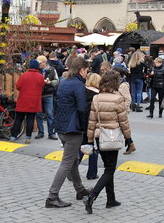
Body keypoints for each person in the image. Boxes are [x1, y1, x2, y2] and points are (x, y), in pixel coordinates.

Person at [84, 70, 131, 213]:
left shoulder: (96, 98)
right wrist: (129, 139)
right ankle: (92, 196)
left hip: (99, 136)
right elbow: (124, 122)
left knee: (107, 168)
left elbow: (91, 122)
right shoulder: (118, 99)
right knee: (110, 169)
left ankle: (111, 199)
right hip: (112, 137)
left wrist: (90, 140)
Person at [46, 57, 91, 208]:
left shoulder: (63, 82)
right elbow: (82, 108)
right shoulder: (78, 85)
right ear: (81, 70)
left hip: (61, 127)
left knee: (73, 161)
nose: (87, 74)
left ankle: (80, 190)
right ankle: (52, 196)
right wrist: (85, 129)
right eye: (86, 71)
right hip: (73, 129)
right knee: (67, 162)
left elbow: (56, 103)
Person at [11, 59, 45, 144]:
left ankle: (13, 136)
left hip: (23, 100)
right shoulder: (40, 76)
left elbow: (18, 86)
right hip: (34, 101)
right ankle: (28, 137)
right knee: (30, 119)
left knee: (18, 119)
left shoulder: (24, 75)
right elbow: (42, 87)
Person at [83, 73, 102, 180]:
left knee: (82, 147)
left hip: (82, 123)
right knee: (94, 148)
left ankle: (72, 170)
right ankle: (92, 173)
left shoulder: (82, 91)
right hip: (94, 124)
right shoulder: (98, 95)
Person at [36, 55, 59, 140]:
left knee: (50, 114)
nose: (39, 64)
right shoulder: (37, 70)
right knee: (39, 114)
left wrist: (50, 83)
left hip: (48, 94)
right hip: (38, 94)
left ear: (44, 62)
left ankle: (51, 133)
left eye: (40, 63)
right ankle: (40, 132)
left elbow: (57, 81)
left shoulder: (52, 69)